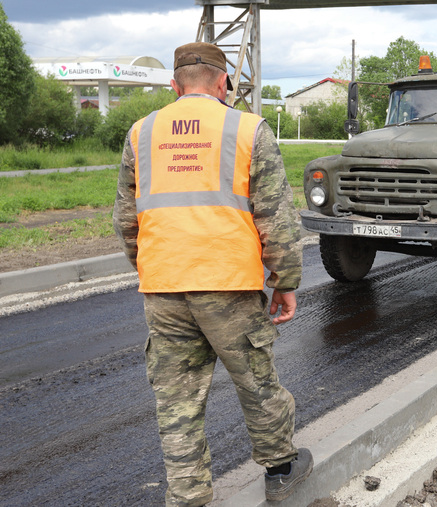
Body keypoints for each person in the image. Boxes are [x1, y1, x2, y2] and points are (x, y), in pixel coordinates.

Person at [113, 41, 312, 506]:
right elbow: (277, 219)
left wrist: (152, 266)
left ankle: (189, 496)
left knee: (177, 400)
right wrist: (285, 282)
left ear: (174, 84)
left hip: (165, 285)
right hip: (230, 283)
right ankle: (280, 469)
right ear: (224, 83)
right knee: (255, 378)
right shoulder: (248, 129)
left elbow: (126, 219)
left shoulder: (140, 133)